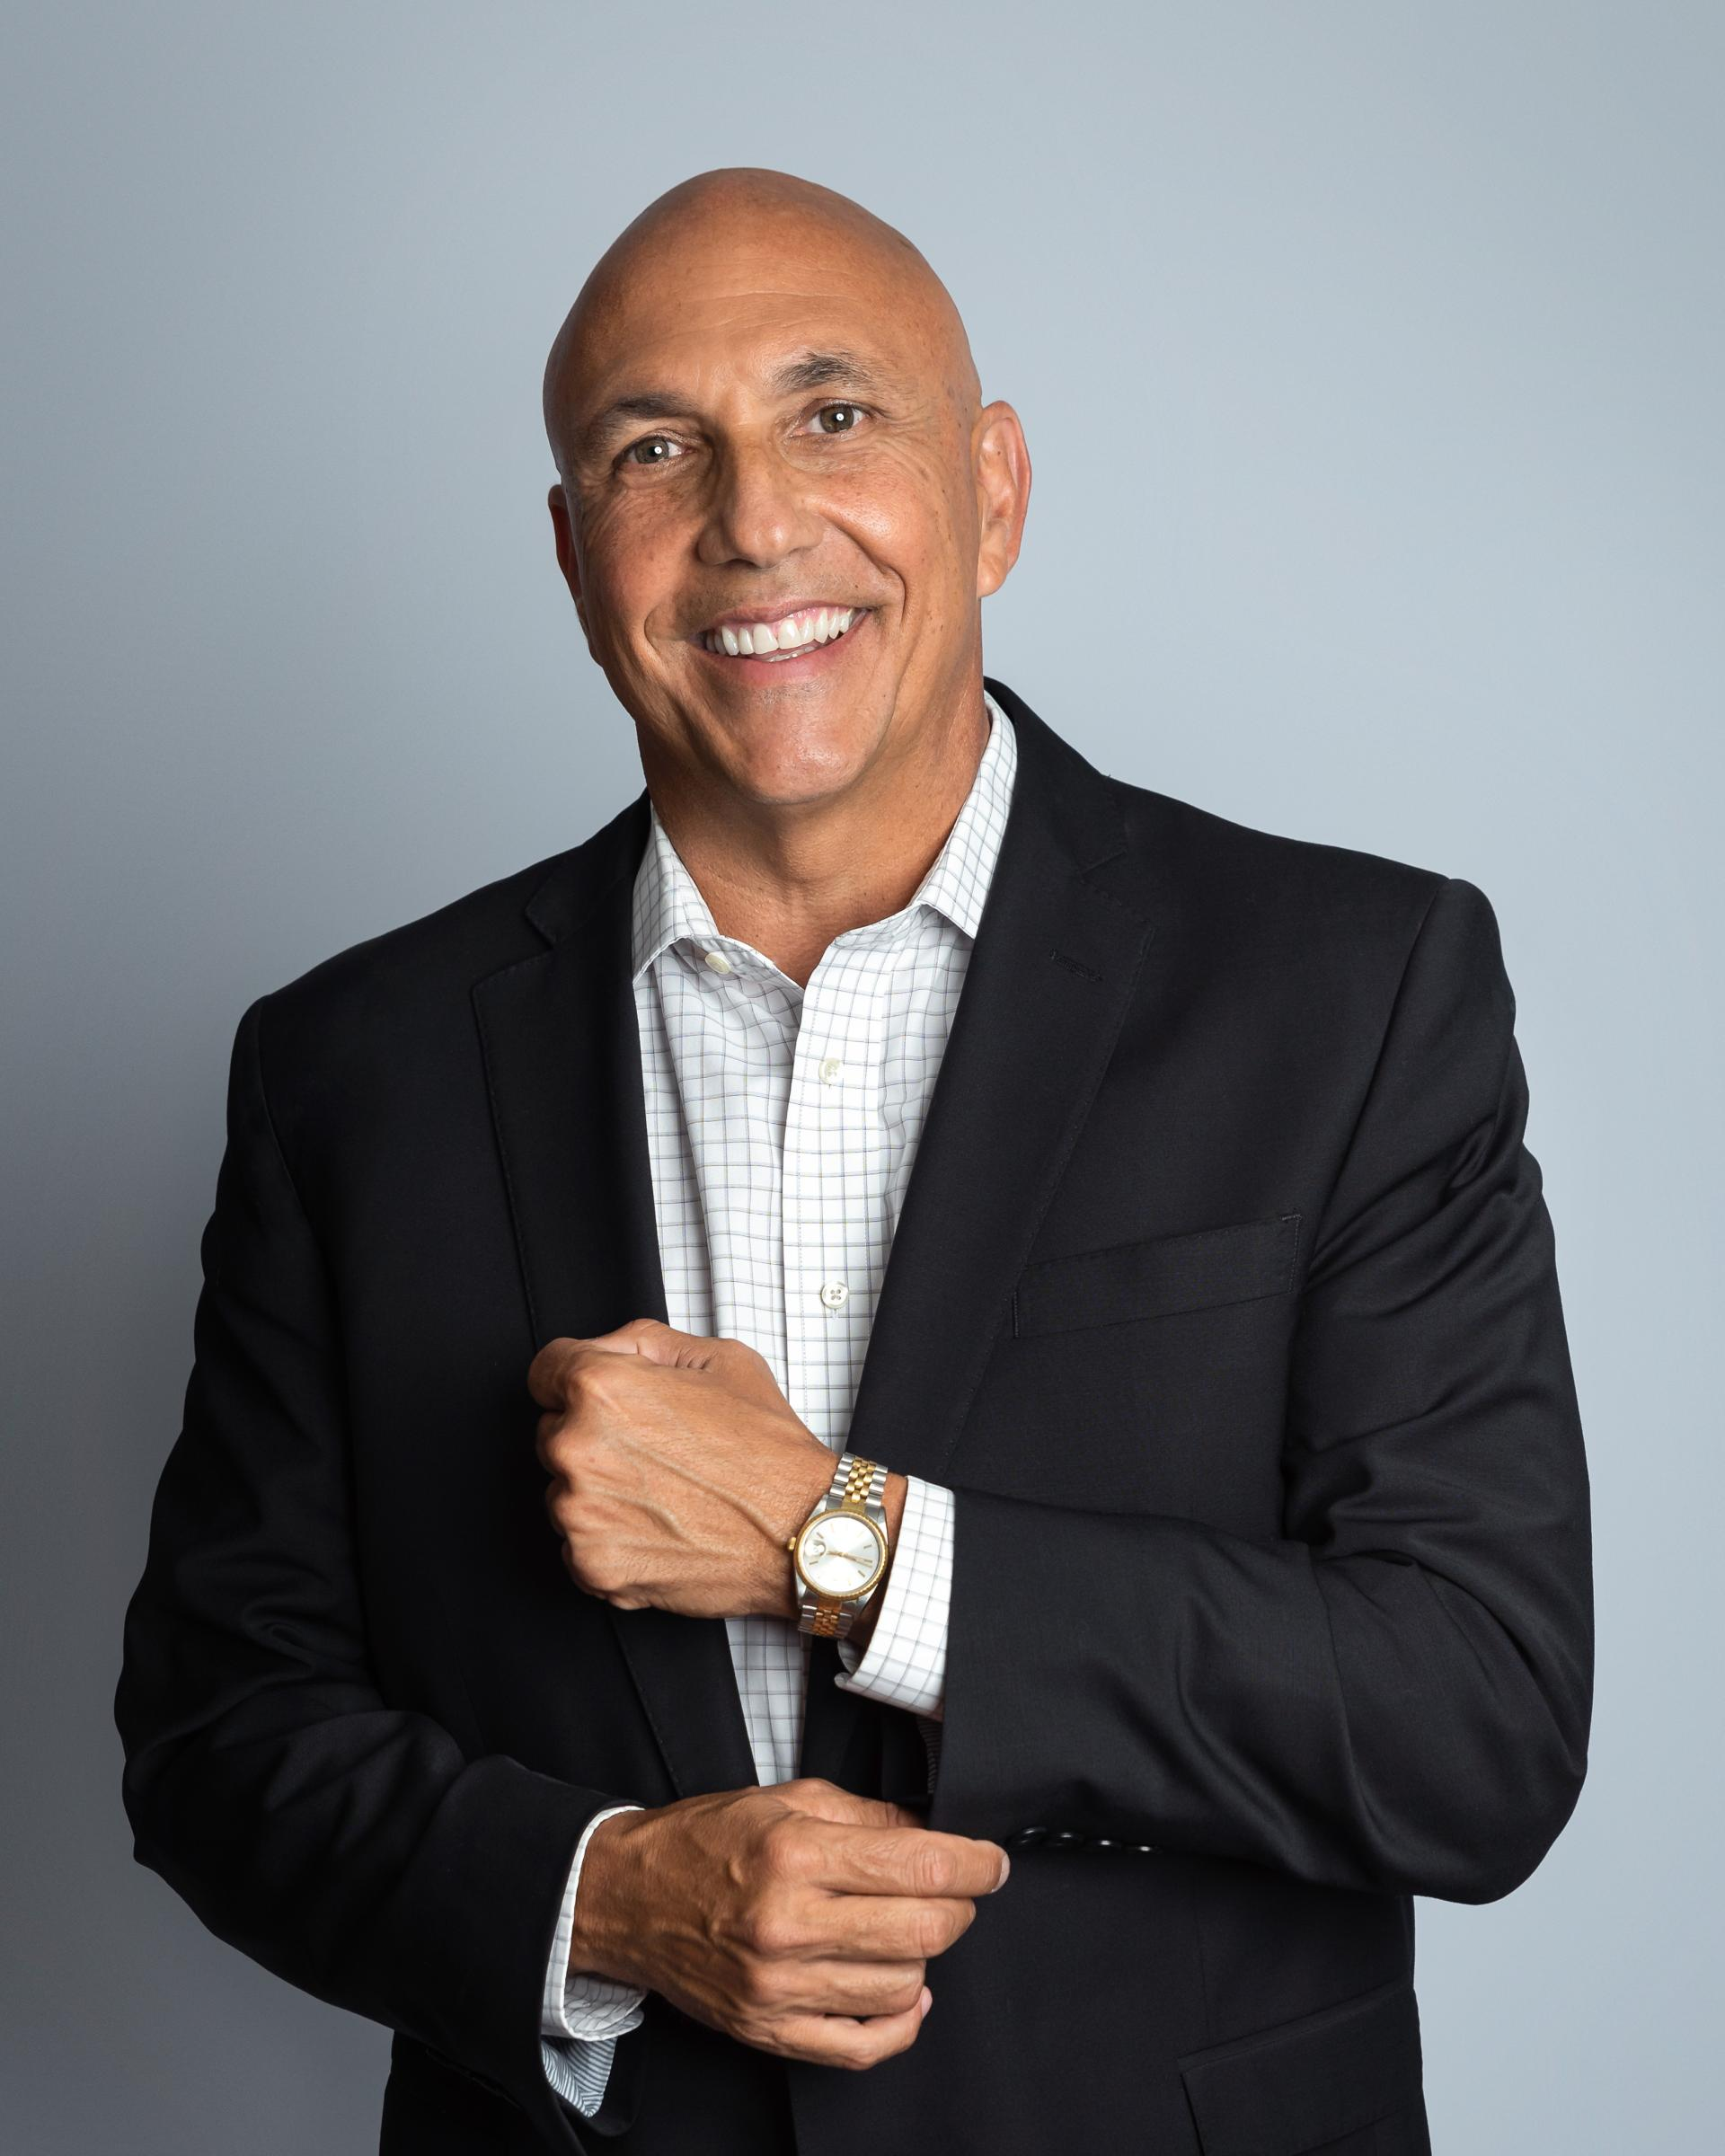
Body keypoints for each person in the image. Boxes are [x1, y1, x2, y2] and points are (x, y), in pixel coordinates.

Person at [116, 168, 1593, 2156]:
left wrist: (852, 1542)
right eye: (658, 450)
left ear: (992, 489)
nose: (749, 522)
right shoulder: (348, 1071)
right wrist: (601, 1898)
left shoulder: (1352, 993)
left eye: (834, 416)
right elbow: (221, 1739)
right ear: (576, 557)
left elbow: (1475, 1721)